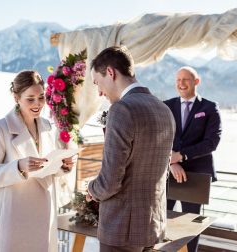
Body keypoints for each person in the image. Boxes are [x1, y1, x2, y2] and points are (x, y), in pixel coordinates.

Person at [87, 46, 176, 252]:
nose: (99, 92)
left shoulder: (121, 110)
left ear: (110, 72)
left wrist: (91, 189)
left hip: (121, 229)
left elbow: (109, 182)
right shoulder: (164, 109)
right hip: (152, 225)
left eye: (97, 83)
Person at [0, 70, 76, 252]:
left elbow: (48, 165)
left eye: (41, 97)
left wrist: (63, 165)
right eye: (30, 99)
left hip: (44, 214)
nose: (38, 104)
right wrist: (19, 167)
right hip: (14, 218)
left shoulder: (47, 126)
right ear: (16, 98)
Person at [164, 66, 222, 252]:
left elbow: (211, 142)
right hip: (167, 174)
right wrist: (171, 162)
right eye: (178, 80)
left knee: (191, 224)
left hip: (196, 175)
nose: (181, 84)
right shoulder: (166, 106)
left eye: (186, 80)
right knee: (161, 218)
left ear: (196, 82)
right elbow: (158, 138)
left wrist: (181, 156)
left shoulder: (209, 108)